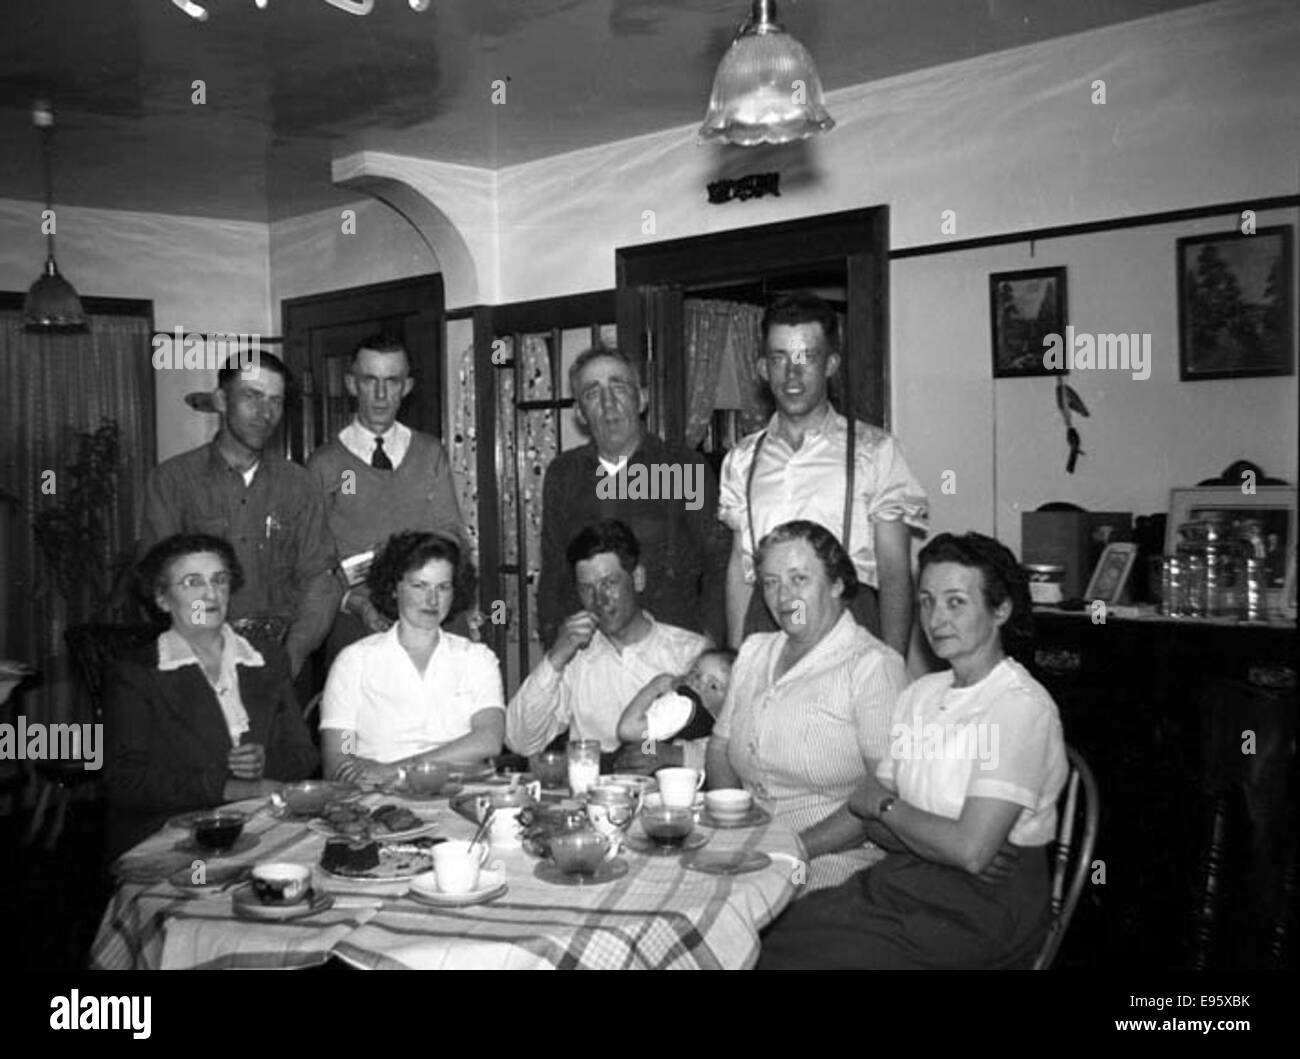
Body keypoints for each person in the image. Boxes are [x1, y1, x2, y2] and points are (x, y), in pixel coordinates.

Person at [758, 532, 1068, 969]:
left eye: (956, 602)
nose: (936, 618)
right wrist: (931, 833)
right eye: (926, 601)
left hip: (983, 908)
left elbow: (969, 852)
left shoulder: (1019, 707)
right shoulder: (921, 694)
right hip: (909, 878)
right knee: (773, 936)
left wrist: (886, 805)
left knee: (815, 958)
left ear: (1000, 609)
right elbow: (882, 829)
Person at [718, 294, 928, 659]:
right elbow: (741, 565)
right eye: (779, 359)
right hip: (765, 628)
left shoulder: (874, 451)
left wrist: (892, 663)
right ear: (763, 368)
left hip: (848, 625)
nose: (792, 374)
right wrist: (738, 657)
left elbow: (895, 572)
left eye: (807, 358)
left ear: (830, 364)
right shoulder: (741, 459)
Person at [705, 520, 907, 892]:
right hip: (748, 849)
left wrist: (787, 851)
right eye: (771, 581)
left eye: (799, 579)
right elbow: (719, 747)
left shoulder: (872, 666)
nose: (784, 597)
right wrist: (734, 821)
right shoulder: (754, 652)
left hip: (831, 860)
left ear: (837, 583)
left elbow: (884, 792)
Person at [102, 534, 318, 859]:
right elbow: (125, 782)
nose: (210, 593)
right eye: (192, 582)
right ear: (162, 598)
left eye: (220, 580)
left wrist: (265, 761)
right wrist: (227, 787)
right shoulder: (137, 673)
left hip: (266, 825)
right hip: (177, 835)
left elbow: (304, 756)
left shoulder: (266, 659)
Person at [140, 352, 339, 678]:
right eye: (252, 396)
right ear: (221, 400)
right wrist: (212, 649)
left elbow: (321, 580)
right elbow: (158, 582)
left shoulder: (300, 485)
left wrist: (292, 655)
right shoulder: (173, 481)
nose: (265, 413)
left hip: (280, 661)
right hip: (198, 661)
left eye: (275, 401)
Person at [537, 345, 730, 649]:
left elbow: (718, 562)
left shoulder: (682, 467)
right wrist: (554, 642)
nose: (608, 402)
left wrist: (710, 641)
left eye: (619, 387)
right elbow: (553, 572)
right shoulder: (564, 475)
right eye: (592, 393)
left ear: (641, 399)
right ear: (580, 413)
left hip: (671, 646)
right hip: (590, 654)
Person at [306, 336, 467, 661]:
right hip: (360, 627)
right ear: (352, 384)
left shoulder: (430, 453)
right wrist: (356, 603)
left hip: (429, 619)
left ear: (406, 386)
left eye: (392, 381)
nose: (381, 395)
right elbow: (310, 563)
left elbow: (451, 534)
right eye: (370, 380)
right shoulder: (325, 464)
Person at [508, 519, 710, 770]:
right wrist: (555, 659)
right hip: (592, 794)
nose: (599, 599)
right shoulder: (576, 658)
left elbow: (732, 747)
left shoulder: (689, 653)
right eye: (587, 589)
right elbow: (521, 742)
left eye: (610, 583)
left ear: (637, 578)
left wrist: (675, 756)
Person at [320, 532, 504, 787]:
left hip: (459, 798)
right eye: (419, 586)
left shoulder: (476, 659)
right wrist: (358, 766)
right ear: (395, 588)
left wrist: (395, 770)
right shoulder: (355, 662)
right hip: (378, 800)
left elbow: (488, 740)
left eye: (443, 587)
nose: (432, 600)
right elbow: (340, 754)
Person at [616, 648, 735, 749]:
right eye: (696, 675)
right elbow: (648, 742)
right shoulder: (714, 727)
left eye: (713, 686)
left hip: (627, 771)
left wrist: (654, 687)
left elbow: (627, 730)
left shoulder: (683, 705)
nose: (698, 684)